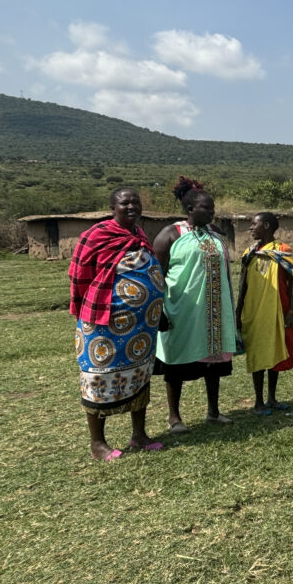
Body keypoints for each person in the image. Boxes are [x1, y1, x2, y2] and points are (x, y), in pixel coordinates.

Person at [69, 187, 165, 460]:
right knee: (98, 377)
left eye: (136, 202)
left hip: (141, 328)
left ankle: (139, 435)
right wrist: (85, 309)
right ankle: (98, 444)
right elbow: (79, 275)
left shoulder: (139, 234)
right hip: (104, 323)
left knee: (140, 376)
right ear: (113, 207)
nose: (132, 206)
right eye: (125, 203)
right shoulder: (96, 235)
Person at [154, 177, 239, 433]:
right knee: (176, 363)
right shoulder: (170, 234)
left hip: (213, 312)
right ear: (190, 209)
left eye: (212, 208)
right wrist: (159, 310)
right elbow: (156, 275)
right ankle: (174, 417)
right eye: (207, 208)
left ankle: (213, 411)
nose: (212, 212)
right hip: (182, 312)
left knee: (213, 363)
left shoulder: (214, 234)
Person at [236, 212, 293, 415]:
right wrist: (238, 311)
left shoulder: (283, 252)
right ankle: (258, 401)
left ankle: (272, 398)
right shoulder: (249, 253)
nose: (250, 228)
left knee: (274, 354)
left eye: (253, 225)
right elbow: (242, 285)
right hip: (254, 312)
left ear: (266, 226)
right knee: (258, 355)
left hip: (278, 311)